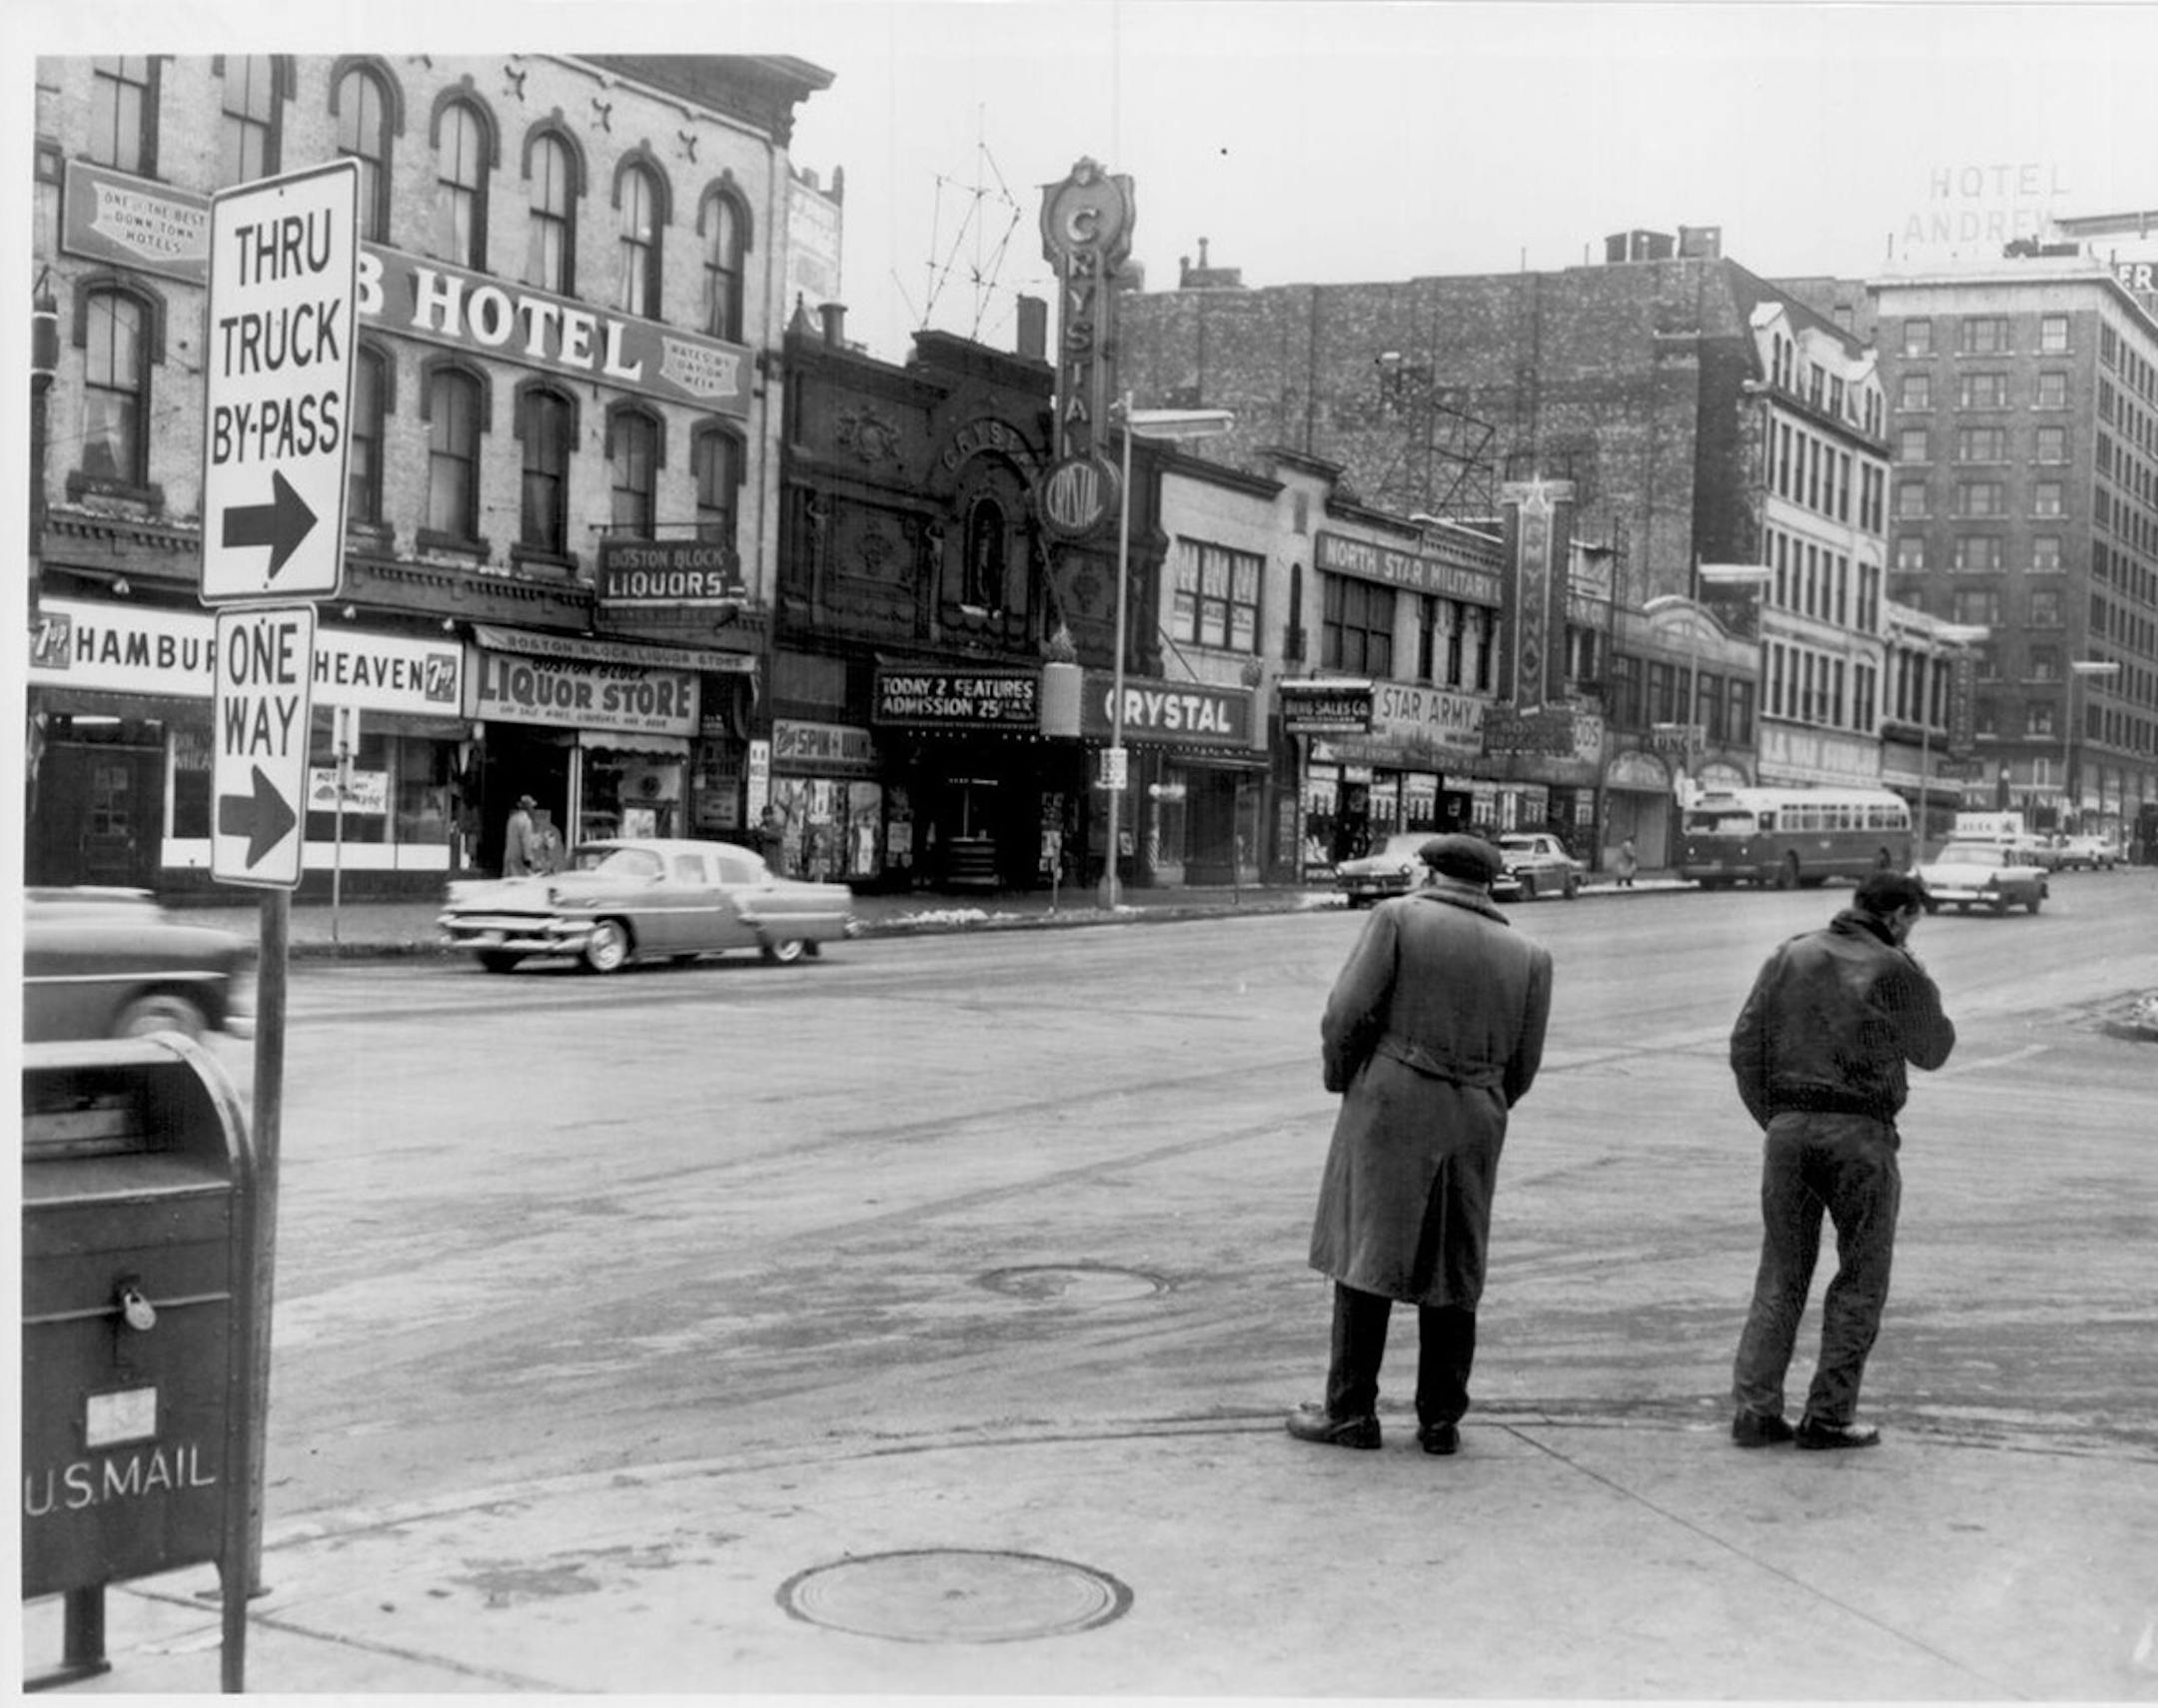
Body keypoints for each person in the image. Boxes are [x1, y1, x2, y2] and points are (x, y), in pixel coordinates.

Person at [1288, 834, 1555, 1456]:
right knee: (1455, 1265)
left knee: (1367, 1253)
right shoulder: (1531, 955)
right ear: (1488, 883)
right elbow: (1525, 1065)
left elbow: (1345, 1015)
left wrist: (1343, 1079)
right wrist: (1479, 1098)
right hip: (1477, 1115)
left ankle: (1351, 1414)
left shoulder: (1398, 919)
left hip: (1392, 1104)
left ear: (1429, 873)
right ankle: (1440, 1421)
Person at [1726, 870, 1956, 1451]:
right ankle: (1828, 1416)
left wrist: (1777, 1119)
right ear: (1901, 916)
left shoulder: (1791, 954)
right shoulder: (1897, 967)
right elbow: (1934, 1050)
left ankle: (1755, 1411)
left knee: (1781, 1271)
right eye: (1912, 922)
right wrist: (1918, 971)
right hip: (1861, 1135)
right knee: (1861, 1275)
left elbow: (1744, 1045)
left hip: (1790, 1131)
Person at [503, 794, 540, 878]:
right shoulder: (526, 821)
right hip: (519, 861)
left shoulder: (512, 819)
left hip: (509, 858)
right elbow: (526, 841)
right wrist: (528, 859)